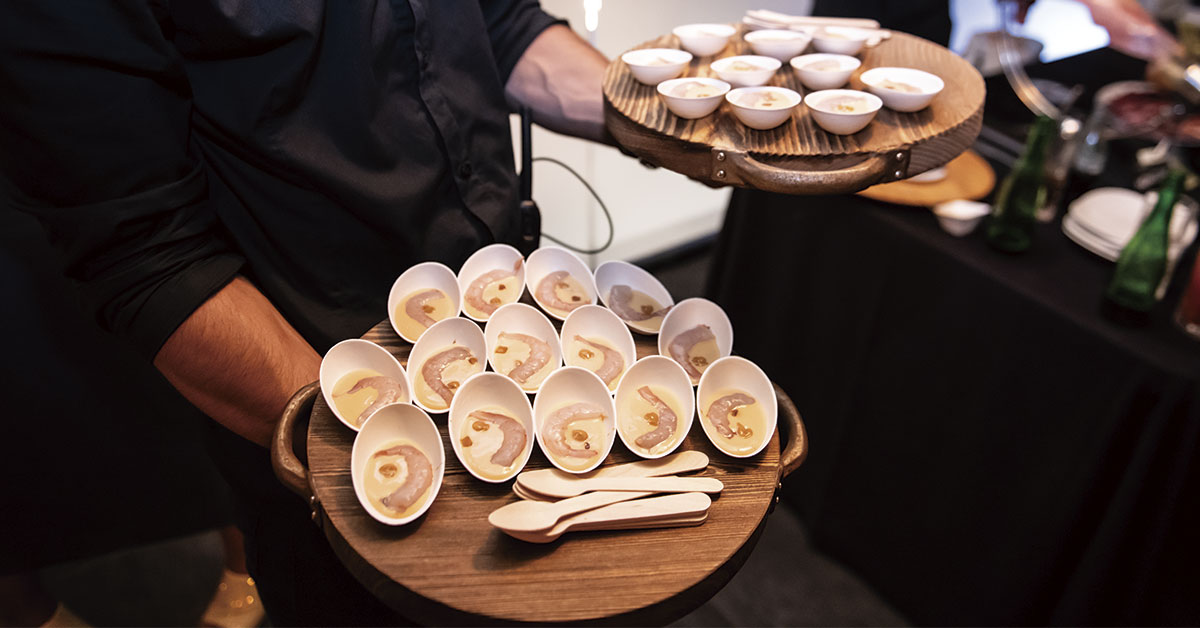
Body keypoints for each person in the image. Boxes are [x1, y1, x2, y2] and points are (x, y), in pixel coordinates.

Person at [0, 1, 610, 624]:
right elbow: (147, 256)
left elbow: (496, 21)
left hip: (514, 356)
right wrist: (385, 456)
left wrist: (644, 111)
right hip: (319, 393)